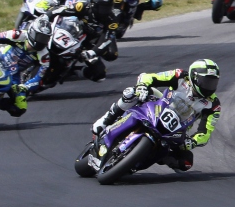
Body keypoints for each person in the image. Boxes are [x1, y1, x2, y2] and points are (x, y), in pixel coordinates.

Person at [90, 60, 221, 172]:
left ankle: (155, 156)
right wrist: (142, 86)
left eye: (213, 83)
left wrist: (192, 142)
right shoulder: (180, 76)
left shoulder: (213, 105)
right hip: (160, 105)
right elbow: (148, 77)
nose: (209, 87)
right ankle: (107, 119)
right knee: (132, 93)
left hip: (177, 128)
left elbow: (205, 133)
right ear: (194, 77)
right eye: (206, 82)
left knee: (186, 162)